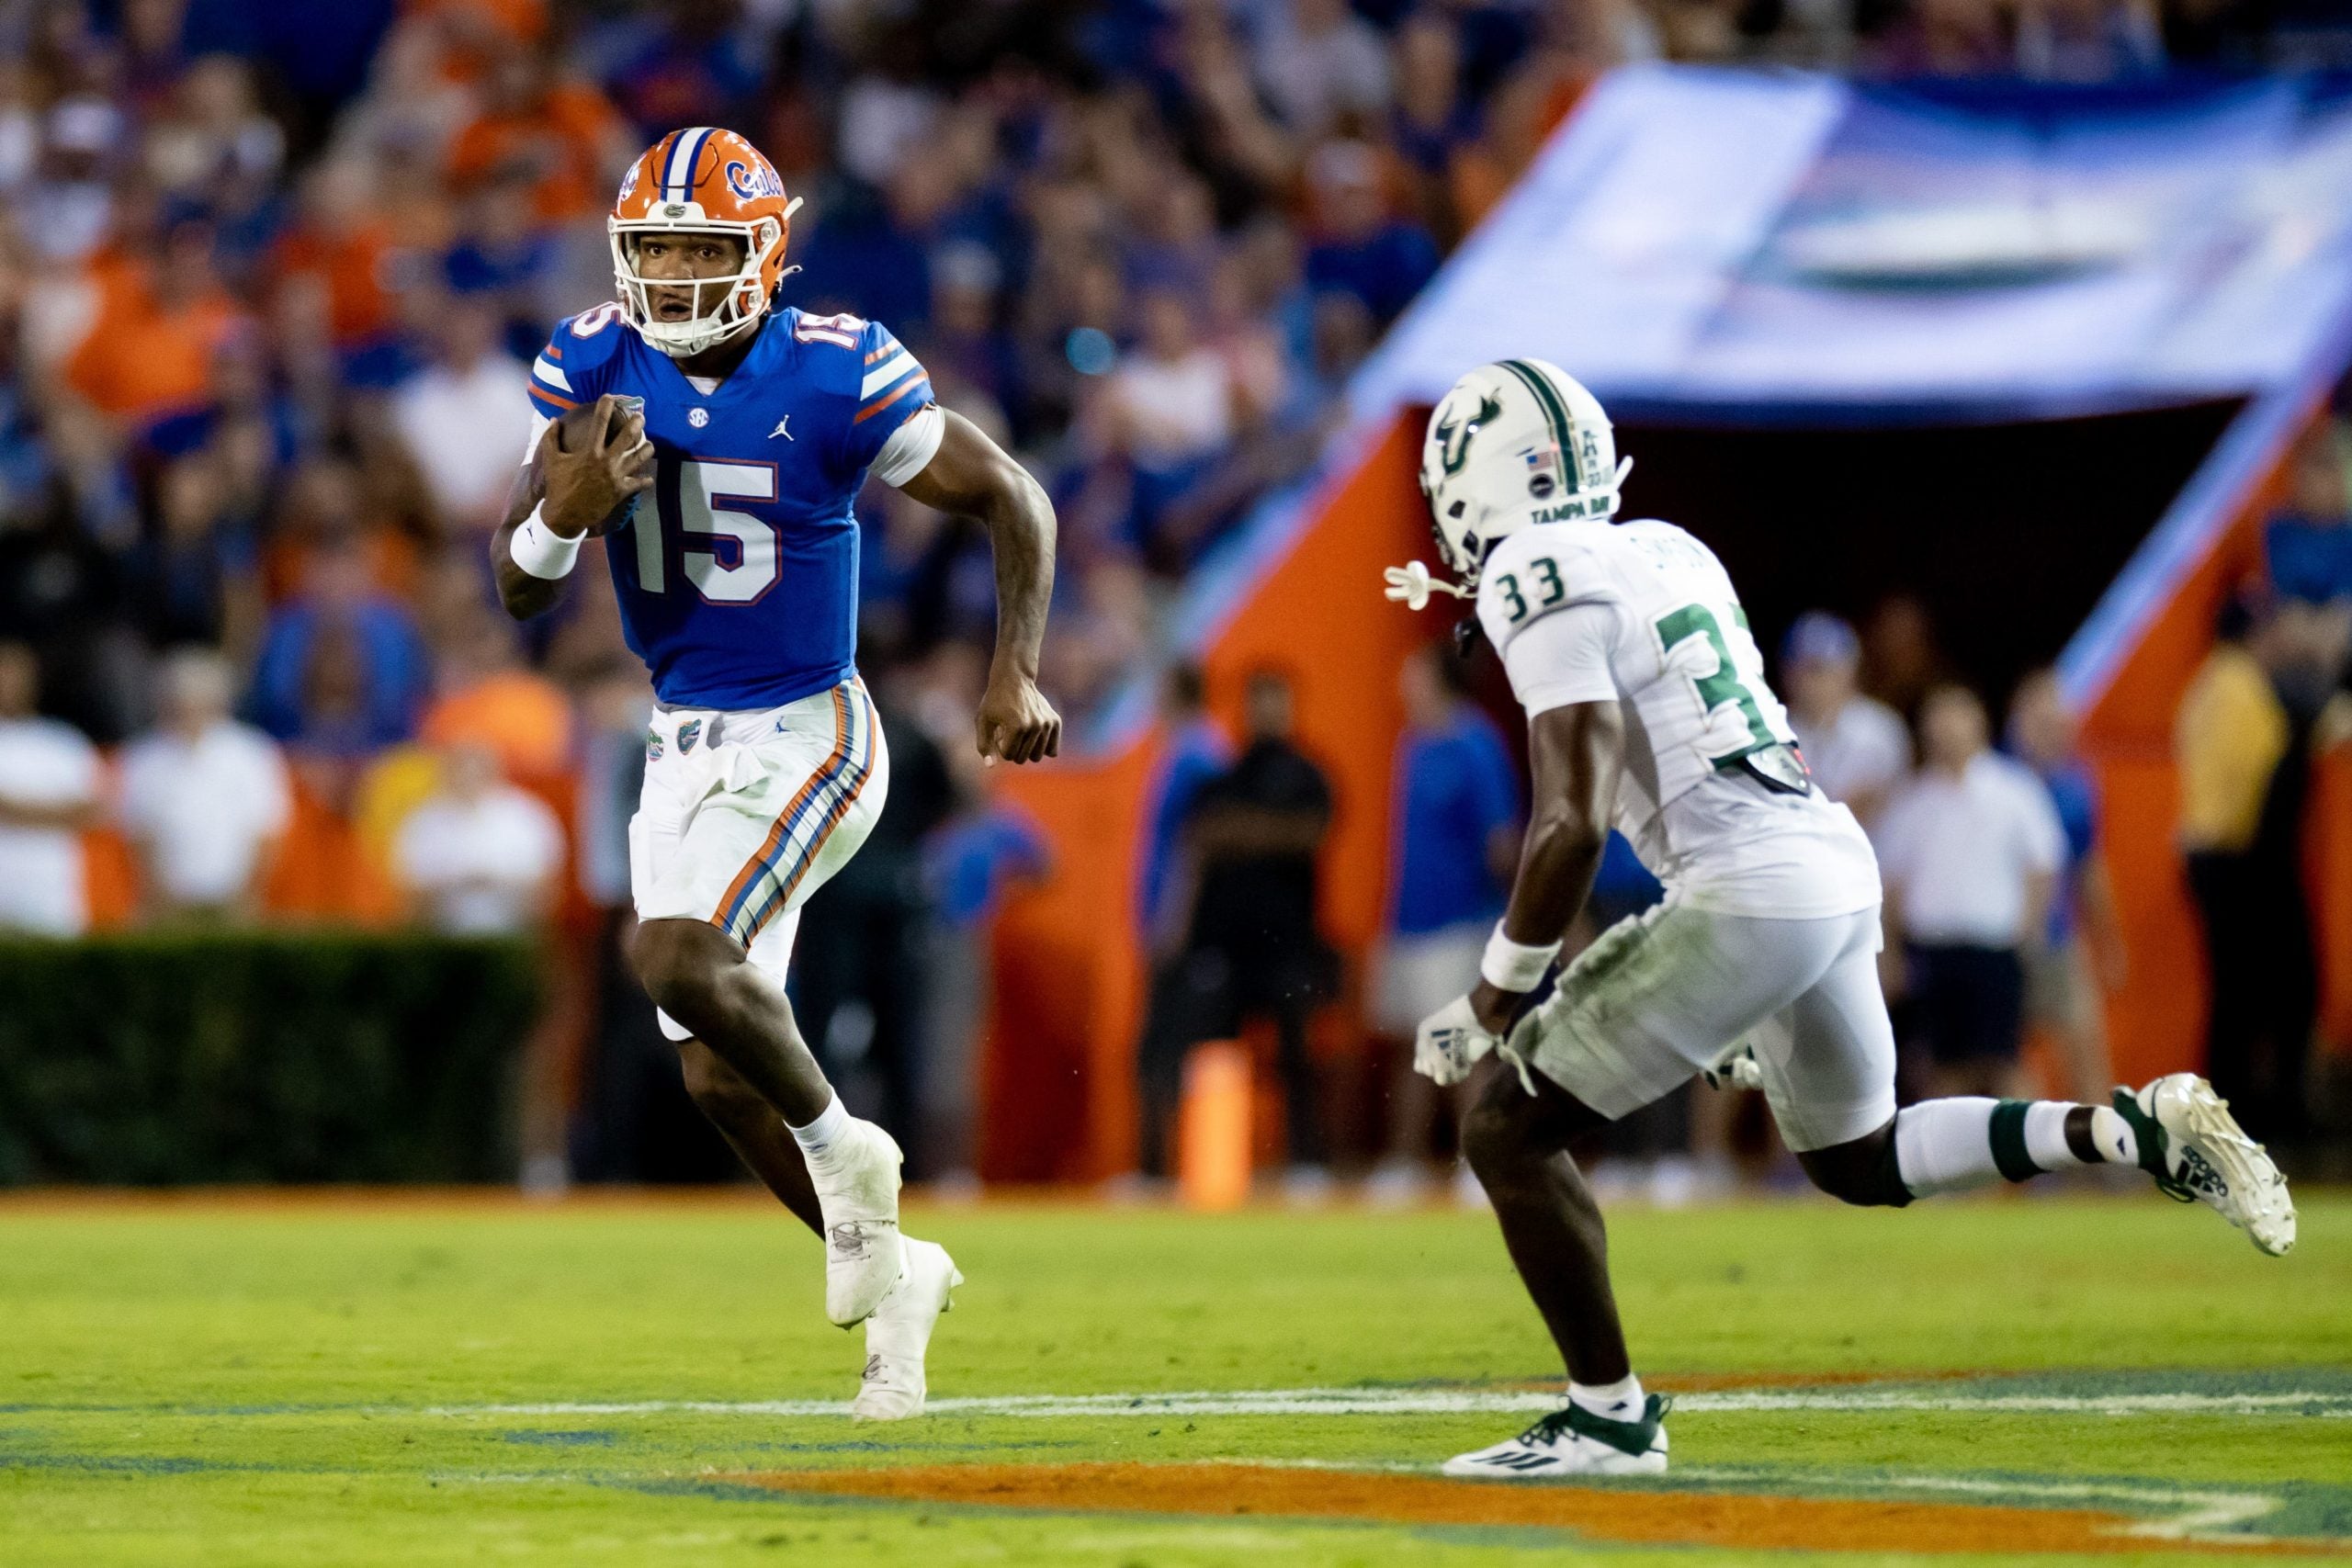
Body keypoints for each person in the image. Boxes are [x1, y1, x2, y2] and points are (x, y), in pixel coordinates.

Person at [1383, 359, 2294, 1481]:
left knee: (1501, 1132)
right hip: (1823, 863)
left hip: (1746, 885)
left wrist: (1491, 998)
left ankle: (1609, 1417)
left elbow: (1569, 820)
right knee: (1861, 1157)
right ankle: (2131, 1129)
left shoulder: (1537, 568)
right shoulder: (1669, 547)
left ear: (1480, 483)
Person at [489, 128, 1059, 1422]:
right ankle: (898, 1277)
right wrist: (557, 516)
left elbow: (1013, 495)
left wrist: (1010, 669)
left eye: (703, 247)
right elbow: (516, 586)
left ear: (765, 254)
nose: (678, 275)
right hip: (678, 738)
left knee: (675, 956)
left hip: (812, 728)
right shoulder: (590, 359)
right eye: (659, 249)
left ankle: (852, 1161)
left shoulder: (837, 368)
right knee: (711, 1070)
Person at [1134, 668, 1339, 1197]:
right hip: (1225, 943)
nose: (1267, 714)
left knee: (1296, 1059)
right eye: (1259, 703)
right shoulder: (1226, 775)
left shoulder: (1308, 774)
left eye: (1276, 702)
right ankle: (1193, 1166)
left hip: (1289, 941)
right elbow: (1201, 843)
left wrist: (1242, 832)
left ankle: (1304, 1163)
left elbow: (1307, 834)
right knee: (1203, 1056)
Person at [1367, 642, 1520, 1205]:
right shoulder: (1411, 746)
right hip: (1409, 922)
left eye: (1412, 674)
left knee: (1462, 1047)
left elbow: (1501, 840)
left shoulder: (1476, 743)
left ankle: (1478, 1166)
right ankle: (1404, 1162)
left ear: (1438, 680)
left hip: (1461, 923)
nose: (1402, 683)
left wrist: (1513, 921)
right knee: (1413, 1048)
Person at [1875, 685, 2067, 1100]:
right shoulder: (1913, 800)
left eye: (1956, 714)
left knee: (2003, 1065)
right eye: (1936, 717)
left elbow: (2043, 865)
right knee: (1941, 1068)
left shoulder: (2014, 790)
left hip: (1994, 950)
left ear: (1978, 720)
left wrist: (2029, 932)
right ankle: (1952, 1164)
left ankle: (2029, 1159)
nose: (1946, 728)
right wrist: (1891, 954)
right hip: (1934, 951)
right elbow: (1892, 883)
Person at [2006, 668, 2129, 1101]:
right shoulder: (1996, 781)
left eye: (2059, 722)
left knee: (2086, 1052)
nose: (2052, 731)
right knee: (2006, 1062)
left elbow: (2088, 870)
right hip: (2004, 943)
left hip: (2059, 940)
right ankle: (2024, 1161)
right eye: (2040, 721)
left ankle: (2100, 1160)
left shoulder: (2077, 786)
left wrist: (2109, 944)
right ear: (2017, 720)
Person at [117, 646, 291, 923]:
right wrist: (160, 896)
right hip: (166, 904)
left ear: (218, 705)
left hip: (237, 903)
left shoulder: (253, 754)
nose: (188, 715)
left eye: (197, 705)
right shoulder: (143, 758)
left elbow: (266, 831)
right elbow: (140, 834)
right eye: (179, 706)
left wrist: (246, 894)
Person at [391, 741, 565, 935]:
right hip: (441, 937)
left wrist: (498, 882)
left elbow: (549, 888)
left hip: (512, 934)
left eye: (477, 770)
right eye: (460, 769)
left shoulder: (527, 817)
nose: (469, 778)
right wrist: (455, 883)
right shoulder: (423, 822)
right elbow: (407, 894)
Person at [0, 641, 99, 936]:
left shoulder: (62, 742)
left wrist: (12, 809)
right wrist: (53, 813)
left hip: (50, 898)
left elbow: (91, 811)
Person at [1780, 610, 1909, 832]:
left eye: (1821, 669)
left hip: (1870, 855)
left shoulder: (1880, 729)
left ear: (1849, 670)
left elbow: (1869, 809)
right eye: (1802, 668)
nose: (1811, 681)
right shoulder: (1778, 731)